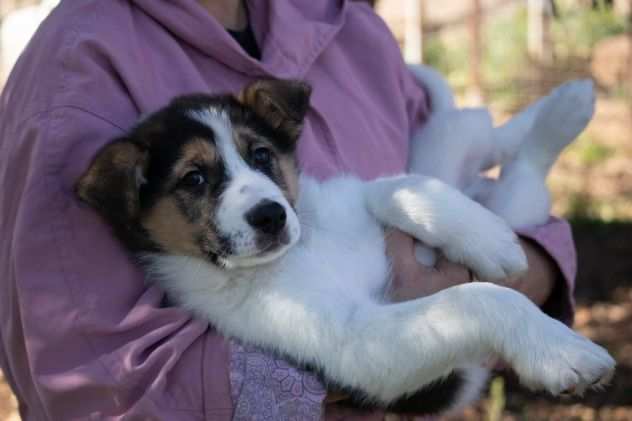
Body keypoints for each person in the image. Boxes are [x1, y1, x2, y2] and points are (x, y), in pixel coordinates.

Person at [0, 1, 576, 419]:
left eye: (259, 157)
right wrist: (352, 358)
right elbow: (91, 382)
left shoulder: (349, 26)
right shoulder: (77, 66)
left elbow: (463, 193)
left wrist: (533, 268)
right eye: (197, 178)